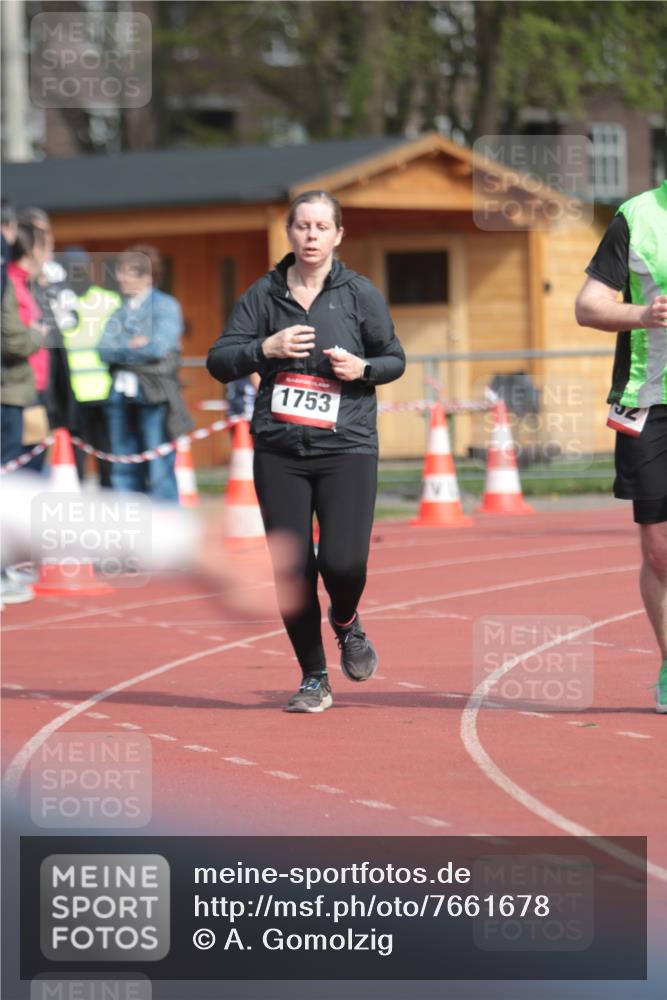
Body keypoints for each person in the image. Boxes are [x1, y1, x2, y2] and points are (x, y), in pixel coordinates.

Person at [207, 190, 406, 713]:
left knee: (344, 562)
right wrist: (264, 349)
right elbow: (219, 360)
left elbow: (394, 358)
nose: (311, 236)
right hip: (280, 449)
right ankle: (314, 677)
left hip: (347, 446)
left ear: (338, 235)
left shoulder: (360, 294)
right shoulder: (263, 295)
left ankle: (346, 620)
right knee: (292, 572)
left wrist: (363, 369)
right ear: (290, 233)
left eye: (322, 227)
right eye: (303, 226)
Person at [575, 178, 667, 714]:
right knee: (659, 550)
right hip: (648, 400)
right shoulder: (636, 217)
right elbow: (588, 307)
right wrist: (643, 315)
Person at [98, 245, 192, 501]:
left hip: (155, 396)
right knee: (123, 467)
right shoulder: (119, 310)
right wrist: (135, 346)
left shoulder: (165, 306)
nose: (120, 277)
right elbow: (102, 349)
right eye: (119, 271)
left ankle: (166, 523)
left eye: (127, 272)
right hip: (119, 395)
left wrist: (123, 349)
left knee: (159, 468)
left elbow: (158, 348)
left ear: (148, 275)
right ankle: (129, 523)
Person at [59, 248, 121, 487]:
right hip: (72, 394)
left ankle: (109, 498)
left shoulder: (109, 300)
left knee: (107, 457)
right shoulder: (59, 303)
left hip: (104, 391)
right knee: (76, 460)